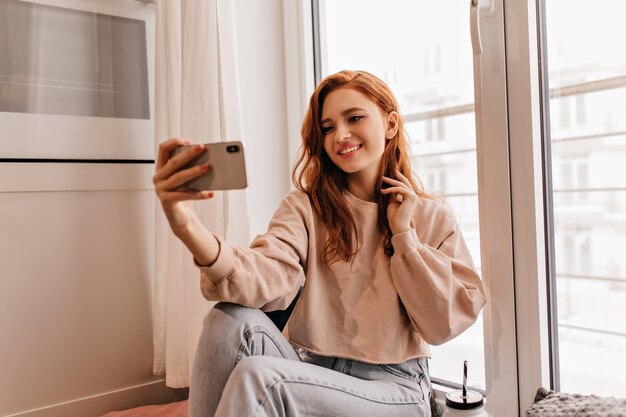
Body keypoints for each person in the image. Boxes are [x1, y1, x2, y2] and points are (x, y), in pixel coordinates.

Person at [153, 70, 486, 417]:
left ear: (390, 125)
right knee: (227, 320)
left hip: (396, 389)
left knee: (263, 379)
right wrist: (186, 224)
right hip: (308, 370)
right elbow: (267, 271)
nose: (340, 135)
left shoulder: (433, 218)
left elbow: (442, 323)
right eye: (327, 127)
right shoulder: (305, 207)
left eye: (354, 118)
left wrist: (404, 237)